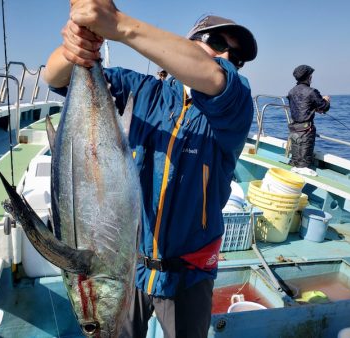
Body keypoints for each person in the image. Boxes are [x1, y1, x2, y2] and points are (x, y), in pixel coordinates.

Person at [43, 1, 257, 337]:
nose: (227, 57)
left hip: (189, 275)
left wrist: (115, 23)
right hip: (126, 265)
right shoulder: (141, 92)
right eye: (216, 44)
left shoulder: (234, 104)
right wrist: (75, 47)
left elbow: (214, 76)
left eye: (237, 57)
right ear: (186, 43)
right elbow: (56, 77)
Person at [287, 65, 330, 176]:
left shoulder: (291, 92)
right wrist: (326, 100)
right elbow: (324, 107)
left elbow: (301, 107)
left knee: (296, 153)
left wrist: (313, 108)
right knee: (304, 159)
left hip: (294, 128)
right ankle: (303, 167)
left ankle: (296, 165)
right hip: (306, 129)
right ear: (308, 77)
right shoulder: (312, 92)